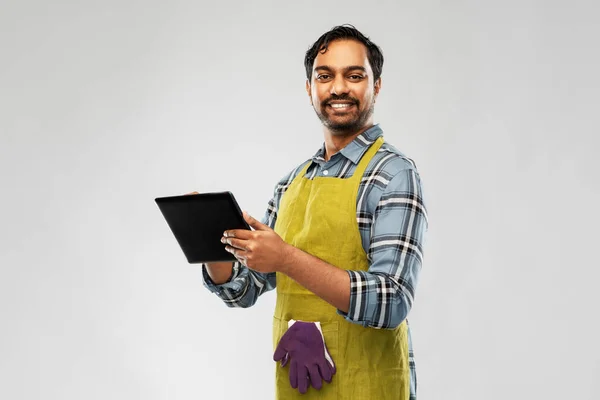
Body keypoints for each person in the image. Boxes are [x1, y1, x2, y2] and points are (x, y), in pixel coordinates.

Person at [200, 24, 429, 400]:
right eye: (325, 76)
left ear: (377, 86)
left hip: (369, 387)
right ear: (310, 89)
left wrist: (286, 257)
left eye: (354, 76)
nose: (338, 88)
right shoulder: (291, 183)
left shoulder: (393, 174)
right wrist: (210, 243)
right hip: (300, 390)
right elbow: (245, 288)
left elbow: (392, 300)